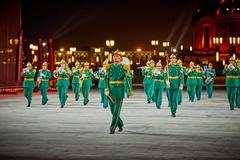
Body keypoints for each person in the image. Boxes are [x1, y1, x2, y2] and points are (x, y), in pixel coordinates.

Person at [105, 50, 131, 134]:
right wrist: (106, 88)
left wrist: (128, 74)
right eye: (114, 56)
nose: (115, 57)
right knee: (113, 111)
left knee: (116, 111)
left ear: (120, 58)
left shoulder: (124, 67)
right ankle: (120, 124)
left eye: (117, 56)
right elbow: (106, 78)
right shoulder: (109, 67)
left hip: (119, 91)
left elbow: (130, 76)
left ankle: (112, 127)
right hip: (110, 91)